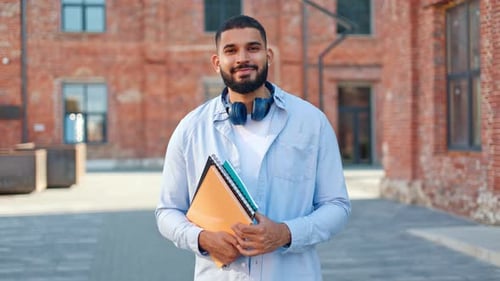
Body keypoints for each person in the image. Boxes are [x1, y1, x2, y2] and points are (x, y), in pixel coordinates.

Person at [155, 15, 350, 281]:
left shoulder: (311, 122)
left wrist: (286, 234)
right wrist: (201, 238)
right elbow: (167, 211)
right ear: (217, 62)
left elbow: (336, 205)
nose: (242, 58)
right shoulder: (191, 130)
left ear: (268, 55)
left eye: (253, 48)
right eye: (231, 50)